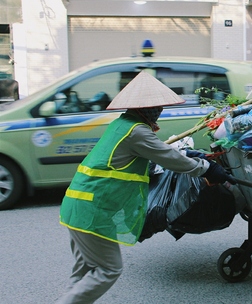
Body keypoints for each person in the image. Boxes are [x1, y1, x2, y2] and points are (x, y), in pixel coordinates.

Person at [56, 71, 235, 304]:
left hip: (79, 206)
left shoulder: (123, 125)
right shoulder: (137, 131)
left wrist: (185, 154)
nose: (159, 110)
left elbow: (156, 155)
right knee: (108, 270)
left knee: (85, 270)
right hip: (94, 211)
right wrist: (206, 168)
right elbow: (168, 158)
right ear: (146, 107)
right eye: (156, 106)